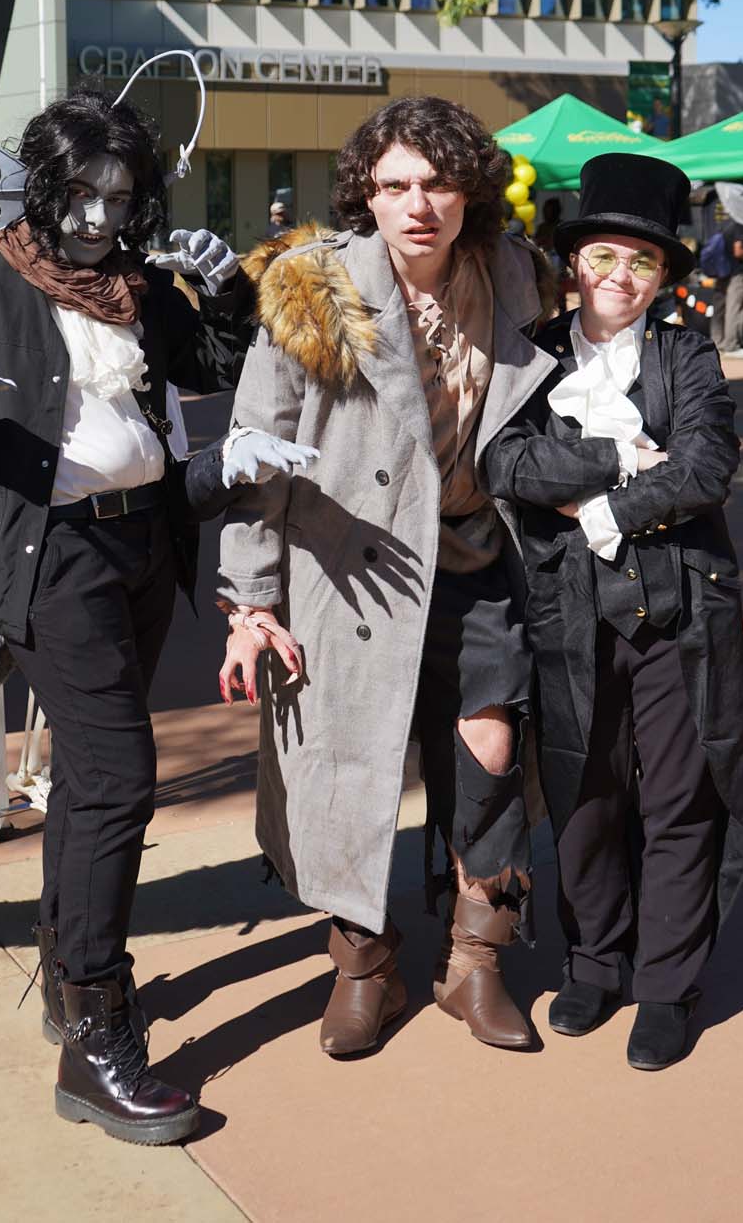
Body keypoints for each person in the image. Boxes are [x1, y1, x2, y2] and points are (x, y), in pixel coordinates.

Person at [0, 87, 283, 1146]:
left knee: (89, 776)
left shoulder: (138, 285)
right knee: (120, 778)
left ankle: (62, 966)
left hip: (145, 548)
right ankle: (95, 1031)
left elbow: (217, 366)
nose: (96, 217)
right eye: (79, 194)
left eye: (118, 198)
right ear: (42, 188)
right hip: (50, 560)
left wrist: (227, 291)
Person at [217, 95, 557, 1060]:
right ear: (366, 192)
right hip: (351, 569)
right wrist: (249, 600)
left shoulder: (515, 273)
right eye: (396, 183)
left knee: (491, 743)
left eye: (438, 183)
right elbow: (256, 451)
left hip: (475, 554)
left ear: (470, 192)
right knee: (343, 764)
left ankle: (474, 962)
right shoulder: (311, 287)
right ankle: (364, 964)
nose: (417, 205)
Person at [482, 154, 743, 1070]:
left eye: (642, 261)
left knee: (683, 797)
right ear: (575, 262)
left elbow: (707, 466)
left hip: (681, 608)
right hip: (569, 611)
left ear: (662, 274)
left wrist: (603, 511)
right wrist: (620, 460)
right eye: (604, 255)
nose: (620, 275)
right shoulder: (531, 352)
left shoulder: (688, 353)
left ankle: (668, 983)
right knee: (584, 793)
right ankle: (596, 960)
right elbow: (506, 463)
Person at [708, 214, 743, 358]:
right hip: (735, 272)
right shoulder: (739, 225)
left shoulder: (721, 225)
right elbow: (738, 251)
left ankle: (717, 343)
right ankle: (732, 346)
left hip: (720, 271)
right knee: (734, 308)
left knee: (719, 309)